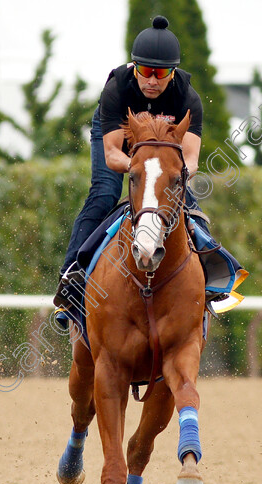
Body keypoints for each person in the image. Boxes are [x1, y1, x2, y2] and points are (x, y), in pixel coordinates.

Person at [53, 15, 211, 313]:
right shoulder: (116, 90)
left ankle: (213, 276)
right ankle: (71, 277)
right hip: (122, 147)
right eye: (145, 71)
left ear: (173, 74)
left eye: (160, 73)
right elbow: (113, 155)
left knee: (188, 203)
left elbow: (190, 160)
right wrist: (145, 168)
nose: (151, 80)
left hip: (165, 155)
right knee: (103, 194)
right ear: (134, 68)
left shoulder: (189, 98)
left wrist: (164, 175)